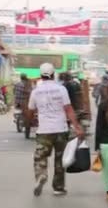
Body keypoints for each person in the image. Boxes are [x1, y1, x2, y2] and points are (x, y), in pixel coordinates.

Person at [28, 63, 84, 197]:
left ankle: (41, 175)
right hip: (61, 129)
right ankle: (58, 188)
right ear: (53, 74)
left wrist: (32, 120)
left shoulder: (35, 91)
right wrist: (77, 126)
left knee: (40, 156)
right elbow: (68, 109)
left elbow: (30, 111)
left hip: (44, 130)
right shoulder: (61, 89)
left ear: (41, 75)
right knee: (60, 159)